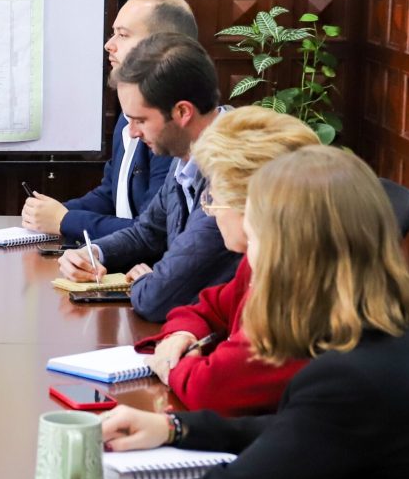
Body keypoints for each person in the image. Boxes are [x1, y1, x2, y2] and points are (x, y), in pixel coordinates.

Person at [102, 146, 409, 479]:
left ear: (287, 257)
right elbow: (294, 430)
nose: (248, 263)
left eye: (253, 242)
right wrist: (175, 428)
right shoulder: (393, 339)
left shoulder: (346, 381)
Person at [133, 106, 319, 415]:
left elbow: (209, 389)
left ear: (249, 204)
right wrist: (182, 335)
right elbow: (203, 308)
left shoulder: (296, 288)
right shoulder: (256, 262)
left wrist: (174, 362)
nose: (208, 209)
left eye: (212, 197)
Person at [58, 33, 241, 322]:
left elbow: (158, 298)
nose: (132, 133)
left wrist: (144, 280)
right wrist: (92, 253)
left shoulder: (233, 167)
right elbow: (147, 232)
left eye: (140, 120)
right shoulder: (186, 153)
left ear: (182, 112)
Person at [22, 0, 191, 239]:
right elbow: (112, 194)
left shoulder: (172, 126)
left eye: (123, 35)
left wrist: (65, 220)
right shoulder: (129, 114)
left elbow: (153, 232)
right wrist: (54, 213)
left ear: (162, 46)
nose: (109, 44)